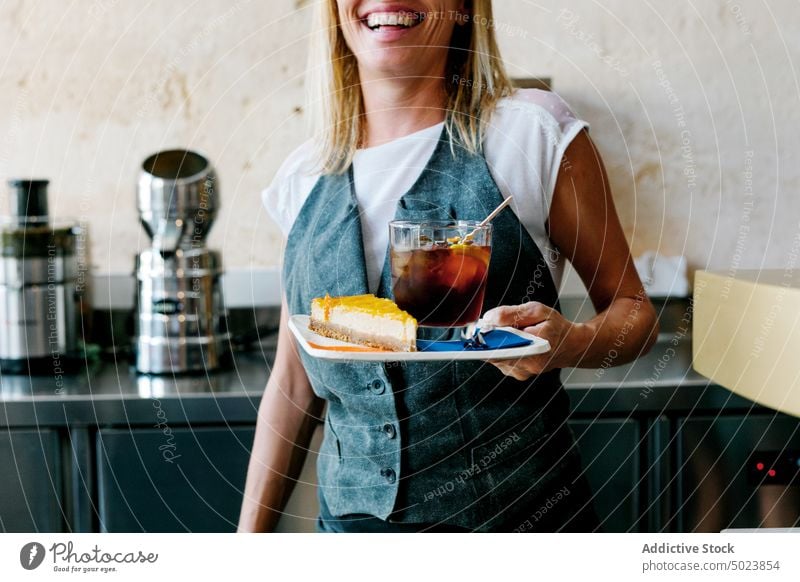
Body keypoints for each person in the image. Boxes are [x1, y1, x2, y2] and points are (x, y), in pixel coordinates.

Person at [238, 0, 658, 533]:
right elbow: (294, 379)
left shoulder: (530, 133)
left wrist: (568, 345)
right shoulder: (302, 178)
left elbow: (636, 313)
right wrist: (246, 546)